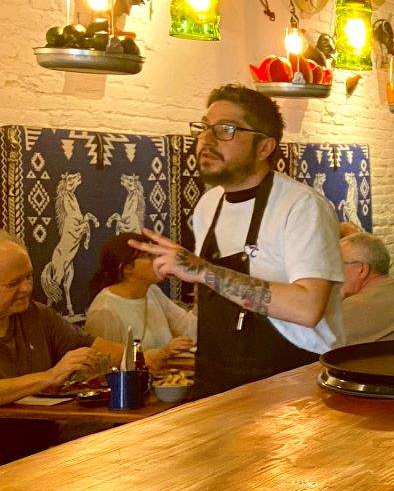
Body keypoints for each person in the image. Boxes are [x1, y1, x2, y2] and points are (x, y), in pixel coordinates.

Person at [132, 85, 344, 398]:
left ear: (264, 147)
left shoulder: (301, 207)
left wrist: (203, 271)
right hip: (217, 379)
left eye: (226, 130)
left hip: (290, 383)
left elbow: (308, 308)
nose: (206, 140)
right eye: (204, 128)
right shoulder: (209, 204)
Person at [0, 235, 114, 405]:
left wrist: (149, 358)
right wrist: (50, 376)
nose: (26, 288)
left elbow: (95, 347)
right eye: (13, 283)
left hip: (45, 427)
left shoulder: (37, 314)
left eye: (29, 277)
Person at [84, 233, 196, 371]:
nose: (159, 260)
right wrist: (161, 354)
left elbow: (190, 330)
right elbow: (103, 370)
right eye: (149, 256)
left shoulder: (152, 292)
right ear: (127, 268)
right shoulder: (104, 310)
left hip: (166, 387)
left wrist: (201, 287)